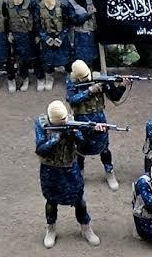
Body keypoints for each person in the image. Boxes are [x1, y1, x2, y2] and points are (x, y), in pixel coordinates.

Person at [35, 100, 102, 248]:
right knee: (51, 201)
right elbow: (40, 149)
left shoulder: (71, 122)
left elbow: (82, 145)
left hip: (70, 168)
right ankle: (51, 229)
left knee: (79, 200)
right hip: (50, 170)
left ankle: (86, 228)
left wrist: (82, 134)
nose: (63, 122)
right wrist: (56, 139)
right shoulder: (41, 124)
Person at [66, 60, 127, 190]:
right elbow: (72, 99)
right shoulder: (71, 81)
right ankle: (80, 173)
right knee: (80, 148)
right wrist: (89, 91)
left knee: (104, 148)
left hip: (98, 118)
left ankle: (109, 172)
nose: (87, 79)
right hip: (81, 120)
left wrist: (122, 85)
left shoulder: (98, 78)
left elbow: (115, 97)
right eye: (83, 77)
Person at [7, 0, 44, 92]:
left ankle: (40, 78)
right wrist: (9, 33)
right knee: (21, 60)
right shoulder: (8, 4)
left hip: (30, 36)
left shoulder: (31, 2)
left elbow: (37, 19)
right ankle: (25, 79)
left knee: (35, 59)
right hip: (17, 36)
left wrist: (37, 35)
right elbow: (6, 20)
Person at [38, 0, 73, 88]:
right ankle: (49, 78)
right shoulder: (39, 8)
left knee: (66, 59)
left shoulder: (62, 6)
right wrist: (45, 38)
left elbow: (67, 23)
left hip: (61, 38)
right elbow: (37, 25)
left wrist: (61, 38)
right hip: (47, 39)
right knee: (47, 60)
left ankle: (70, 75)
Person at [66, 0, 98, 67]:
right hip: (80, 34)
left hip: (92, 32)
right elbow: (74, 20)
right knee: (81, 59)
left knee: (94, 56)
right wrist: (88, 14)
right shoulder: (70, 3)